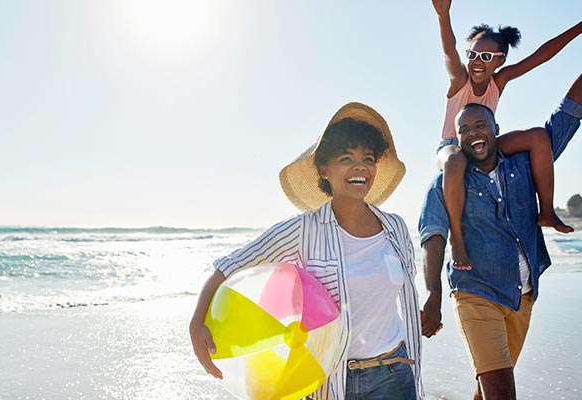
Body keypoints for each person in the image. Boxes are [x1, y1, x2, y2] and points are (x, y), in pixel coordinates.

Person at [190, 102, 424, 399]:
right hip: (336, 381)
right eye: (346, 158)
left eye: (368, 158)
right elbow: (233, 264)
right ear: (324, 170)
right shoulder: (304, 229)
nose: (360, 167)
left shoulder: (395, 227)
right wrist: (197, 323)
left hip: (395, 372)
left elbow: (397, 289)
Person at [419, 74, 582, 399]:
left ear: (496, 129)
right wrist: (434, 294)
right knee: (501, 391)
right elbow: (432, 236)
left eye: (479, 125)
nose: (472, 133)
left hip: (522, 296)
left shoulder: (524, 165)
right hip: (475, 293)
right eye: (463, 130)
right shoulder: (446, 183)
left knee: (489, 387)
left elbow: (568, 116)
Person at [432, 0, 581, 268]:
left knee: (538, 136)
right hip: (453, 146)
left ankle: (546, 211)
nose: (477, 62)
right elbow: (449, 52)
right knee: (455, 160)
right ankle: (457, 240)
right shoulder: (460, 79)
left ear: (500, 61)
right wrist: (444, 16)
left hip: (485, 144)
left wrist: (580, 27)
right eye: (473, 54)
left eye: (486, 57)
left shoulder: (498, 81)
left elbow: (541, 56)